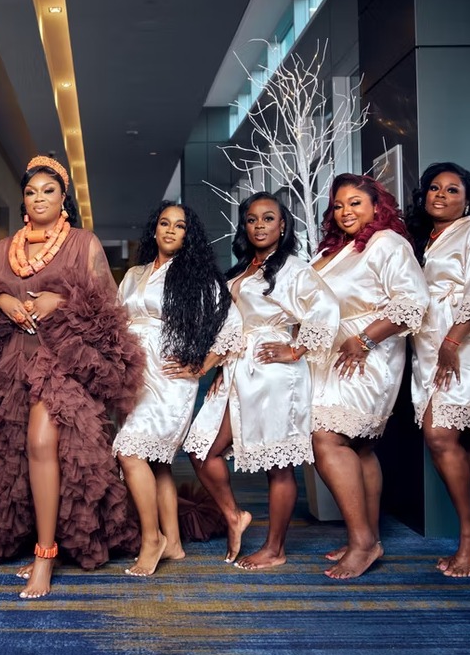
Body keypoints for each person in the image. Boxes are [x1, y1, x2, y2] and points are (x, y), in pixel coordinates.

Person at [0, 155, 143, 599]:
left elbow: (108, 309)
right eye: (31, 191)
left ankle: (45, 556)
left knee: (41, 443)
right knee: (19, 454)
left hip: (63, 359)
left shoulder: (83, 243)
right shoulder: (2, 250)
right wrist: (2, 302)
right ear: (23, 200)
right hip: (15, 360)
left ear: (63, 198)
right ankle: (40, 539)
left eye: (49, 190)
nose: (39, 198)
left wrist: (60, 301)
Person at [186, 192, 339, 569]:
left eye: (268, 218)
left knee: (278, 465)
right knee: (201, 449)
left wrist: (296, 350)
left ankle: (275, 549)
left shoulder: (294, 268)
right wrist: (219, 368)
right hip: (237, 369)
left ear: (282, 225)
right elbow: (230, 326)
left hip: (274, 374)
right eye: (252, 219)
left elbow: (326, 308)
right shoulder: (241, 270)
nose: (259, 225)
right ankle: (234, 515)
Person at [310, 173, 429, 580]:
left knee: (327, 437)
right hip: (334, 353)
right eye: (339, 205)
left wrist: (364, 340)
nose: (346, 211)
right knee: (358, 447)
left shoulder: (387, 243)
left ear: (377, 206)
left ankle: (363, 543)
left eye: (355, 203)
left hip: (368, 353)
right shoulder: (339, 249)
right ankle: (367, 536)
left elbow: (413, 302)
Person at [113, 201, 238, 577]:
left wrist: (202, 366)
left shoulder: (196, 278)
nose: (170, 230)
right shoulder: (133, 274)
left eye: (179, 226)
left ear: (188, 235)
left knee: (130, 452)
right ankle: (174, 544)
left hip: (170, 378)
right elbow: (116, 321)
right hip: (134, 375)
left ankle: (152, 539)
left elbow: (232, 325)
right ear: (154, 230)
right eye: (164, 223)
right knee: (157, 463)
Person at [406, 162, 470, 578]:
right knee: (461, 442)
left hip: (467, 343)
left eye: (452, 190)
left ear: (468, 199)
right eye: (434, 188)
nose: (440, 195)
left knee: (440, 434)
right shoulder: (422, 238)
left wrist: (452, 341)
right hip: (429, 345)